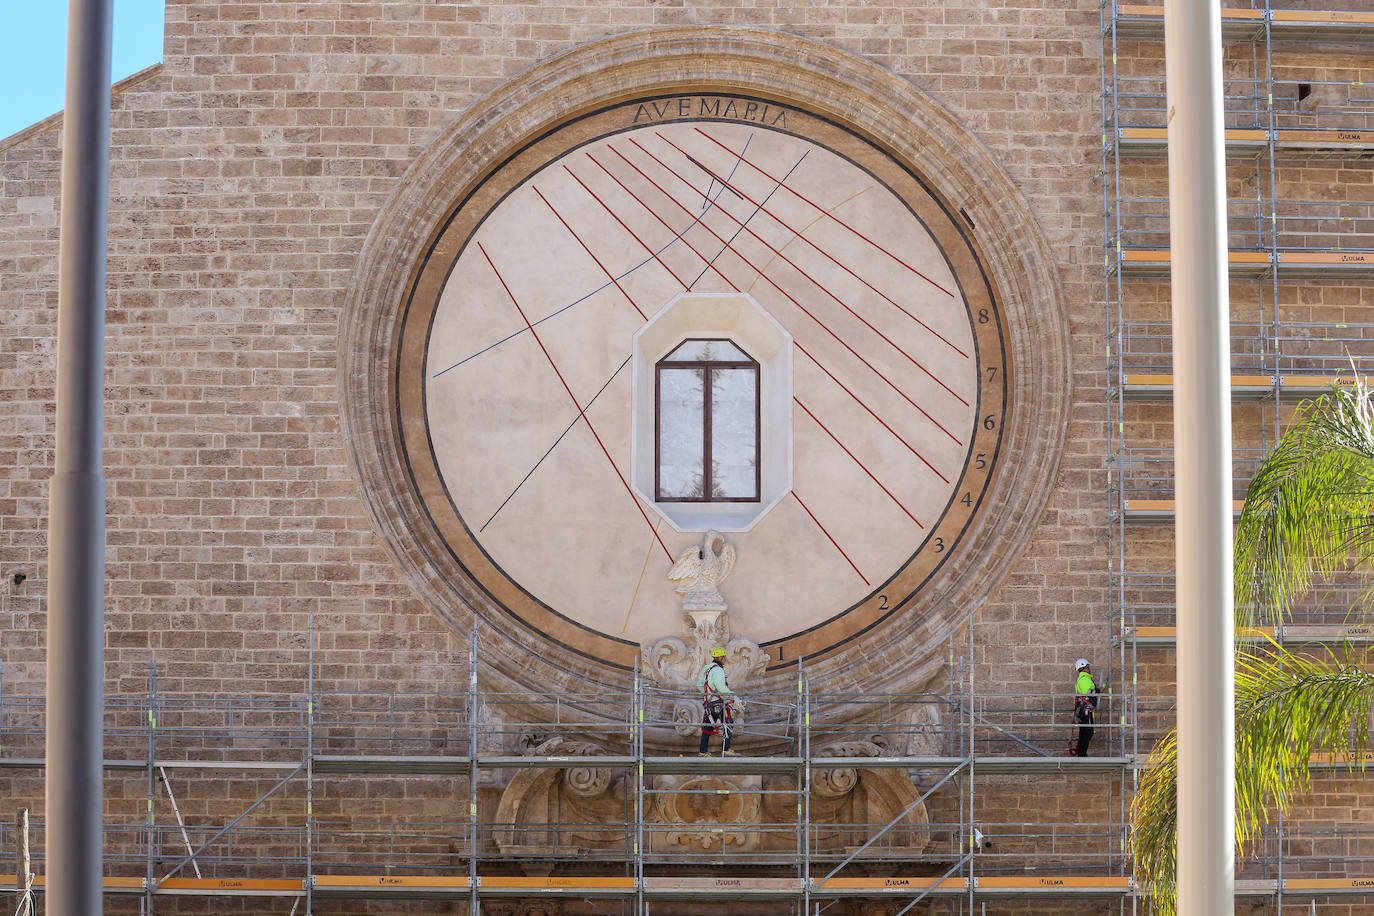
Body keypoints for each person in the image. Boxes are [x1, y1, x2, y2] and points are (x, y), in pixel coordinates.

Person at [697, 646, 738, 756]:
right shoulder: (718, 670)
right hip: (718, 703)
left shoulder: (708, 669)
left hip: (709, 704)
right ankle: (726, 750)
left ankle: (703, 751)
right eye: (724, 657)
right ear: (720, 657)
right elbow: (721, 687)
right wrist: (733, 697)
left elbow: (700, 685)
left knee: (707, 728)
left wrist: (710, 695)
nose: (725, 659)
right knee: (728, 724)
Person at [1072, 657, 1099, 757]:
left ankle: (1081, 753)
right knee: (1088, 731)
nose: (1089, 668)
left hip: (1084, 709)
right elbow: (1089, 692)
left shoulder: (1084, 678)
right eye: (1088, 666)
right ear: (1084, 668)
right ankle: (1082, 754)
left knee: (1085, 731)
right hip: (1085, 710)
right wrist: (1098, 690)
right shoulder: (1084, 679)